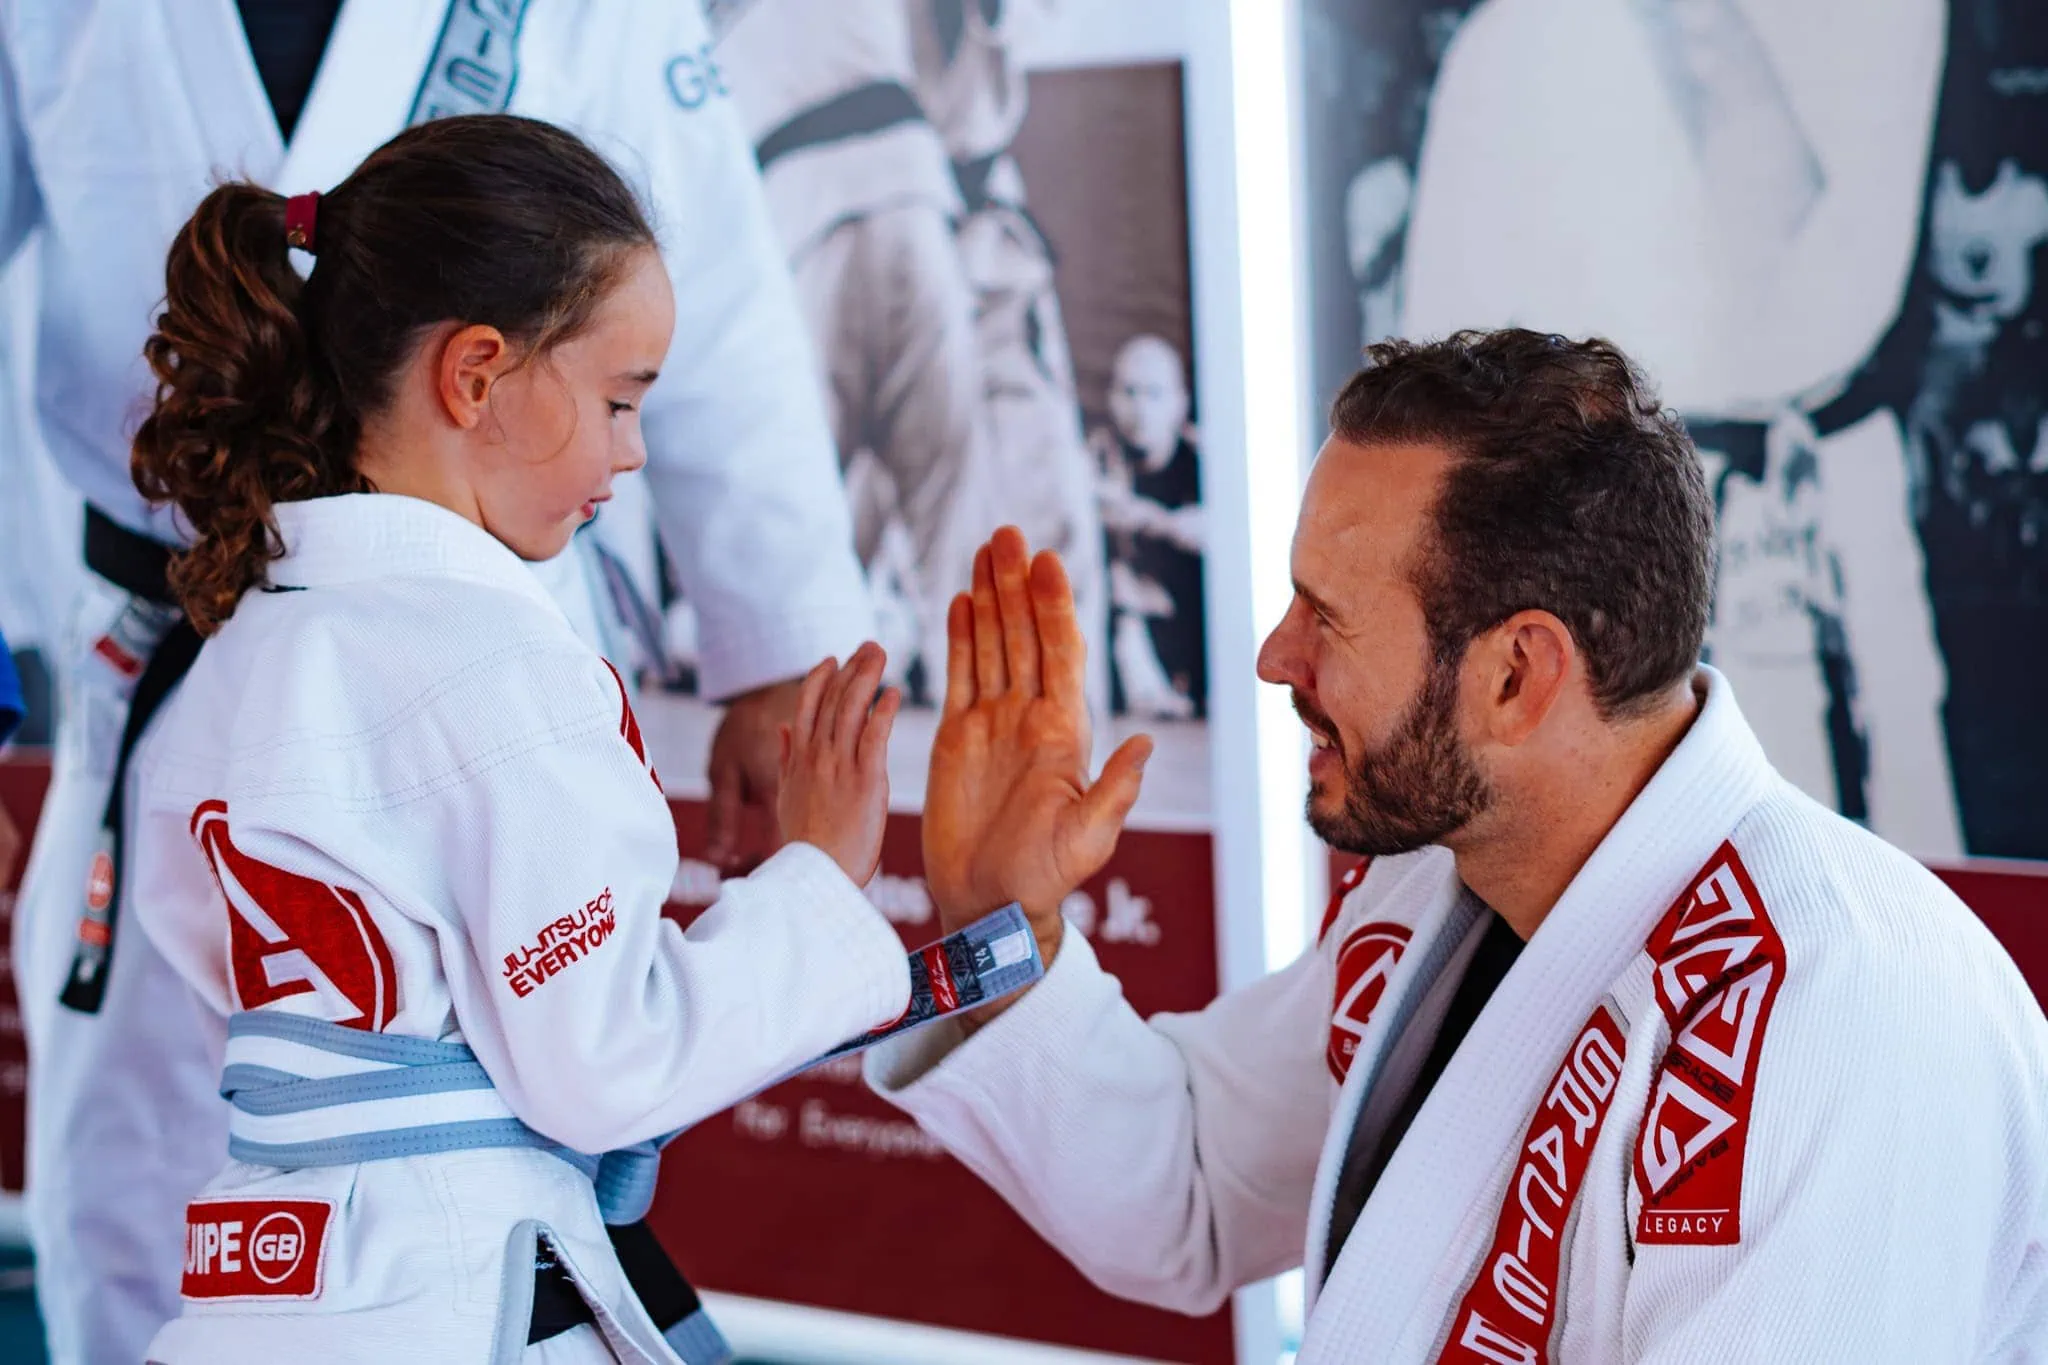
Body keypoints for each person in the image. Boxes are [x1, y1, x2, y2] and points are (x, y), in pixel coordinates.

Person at [876, 331, 2048, 1361]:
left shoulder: (1833, 1011)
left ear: (1511, 675)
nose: (1273, 661)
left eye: (1323, 616)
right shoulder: (1439, 885)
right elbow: (1188, 1186)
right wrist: (1003, 931)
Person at [0, 4, 874, 1359]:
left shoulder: (251, 708)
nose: (630, 442)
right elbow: (605, 1059)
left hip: (247, 623)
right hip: (179, 603)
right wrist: (822, 896)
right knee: (125, 1141)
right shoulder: (512, 691)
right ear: (474, 376)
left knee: (229, 1129)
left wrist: (775, 637)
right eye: (621, 410)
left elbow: (726, 306)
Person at [715, 0, 993, 703]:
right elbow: (962, 106)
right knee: (947, 498)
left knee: (806, 513)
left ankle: (812, 744)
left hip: (806, 213)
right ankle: (986, 723)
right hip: (903, 188)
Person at [1091, 335, 1206, 721]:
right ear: (1110, 398)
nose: (1140, 408)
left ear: (1180, 403)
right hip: (1130, 616)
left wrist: (1153, 520)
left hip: (1191, 614)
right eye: (1129, 392)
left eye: (1154, 394)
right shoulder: (1096, 458)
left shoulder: (1205, 461)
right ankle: (1144, 687)